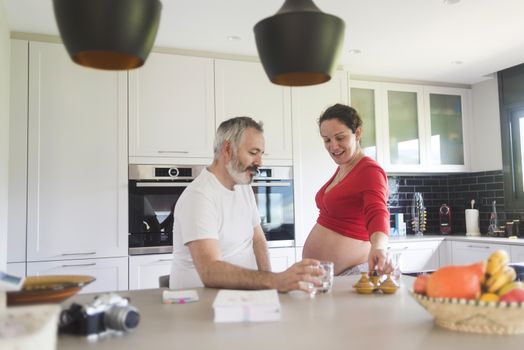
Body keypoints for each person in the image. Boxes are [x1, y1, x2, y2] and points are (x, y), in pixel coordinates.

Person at [170, 116, 322, 291]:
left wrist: (271, 286)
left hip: (240, 296)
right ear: (227, 149)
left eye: (261, 154)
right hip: (199, 303)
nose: (259, 162)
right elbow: (209, 271)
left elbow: (257, 239)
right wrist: (275, 280)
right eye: (253, 153)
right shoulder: (199, 197)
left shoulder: (242, 186)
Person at [302, 104, 392, 276]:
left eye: (340, 138)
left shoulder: (369, 171)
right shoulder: (344, 167)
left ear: (357, 133)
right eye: (327, 140)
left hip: (351, 273)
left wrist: (379, 247)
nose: (333, 146)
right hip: (326, 276)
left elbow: (378, 211)